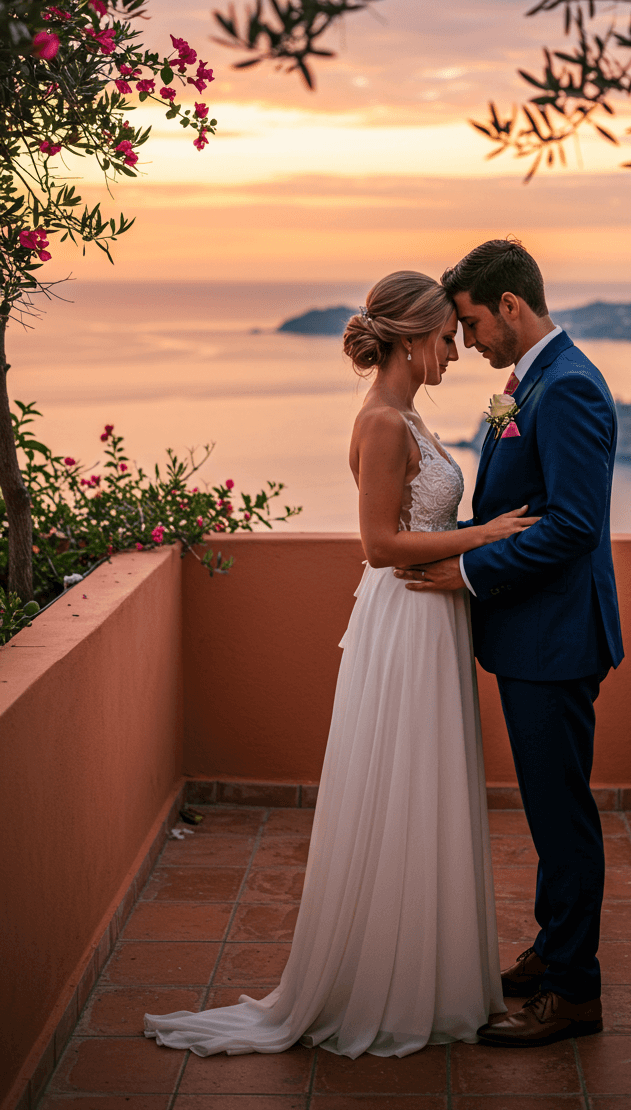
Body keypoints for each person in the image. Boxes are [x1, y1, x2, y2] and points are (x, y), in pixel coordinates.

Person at [144, 270, 537, 1059]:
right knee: (402, 784)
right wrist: (482, 536)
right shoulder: (384, 422)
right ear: (416, 338)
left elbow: (413, 520)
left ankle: (430, 977)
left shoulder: (408, 414)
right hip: (406, 616)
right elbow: (379, 545)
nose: (458, 351)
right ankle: (387, 985)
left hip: (431, 614)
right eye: (448, 338)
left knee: (425, 785)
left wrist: (467, 531)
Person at [394, 238, 623, 1048]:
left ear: (513, 308)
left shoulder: (566, 391)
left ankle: (576, 991)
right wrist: (453, 542)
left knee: (561, 816)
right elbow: (515, 505)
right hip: (534, 636)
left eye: (475, 321)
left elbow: (572, 526)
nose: (471, 340)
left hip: (556, 639)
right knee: (546, 809)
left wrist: (470, 573)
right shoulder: (532, 386)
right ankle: (554, 950)